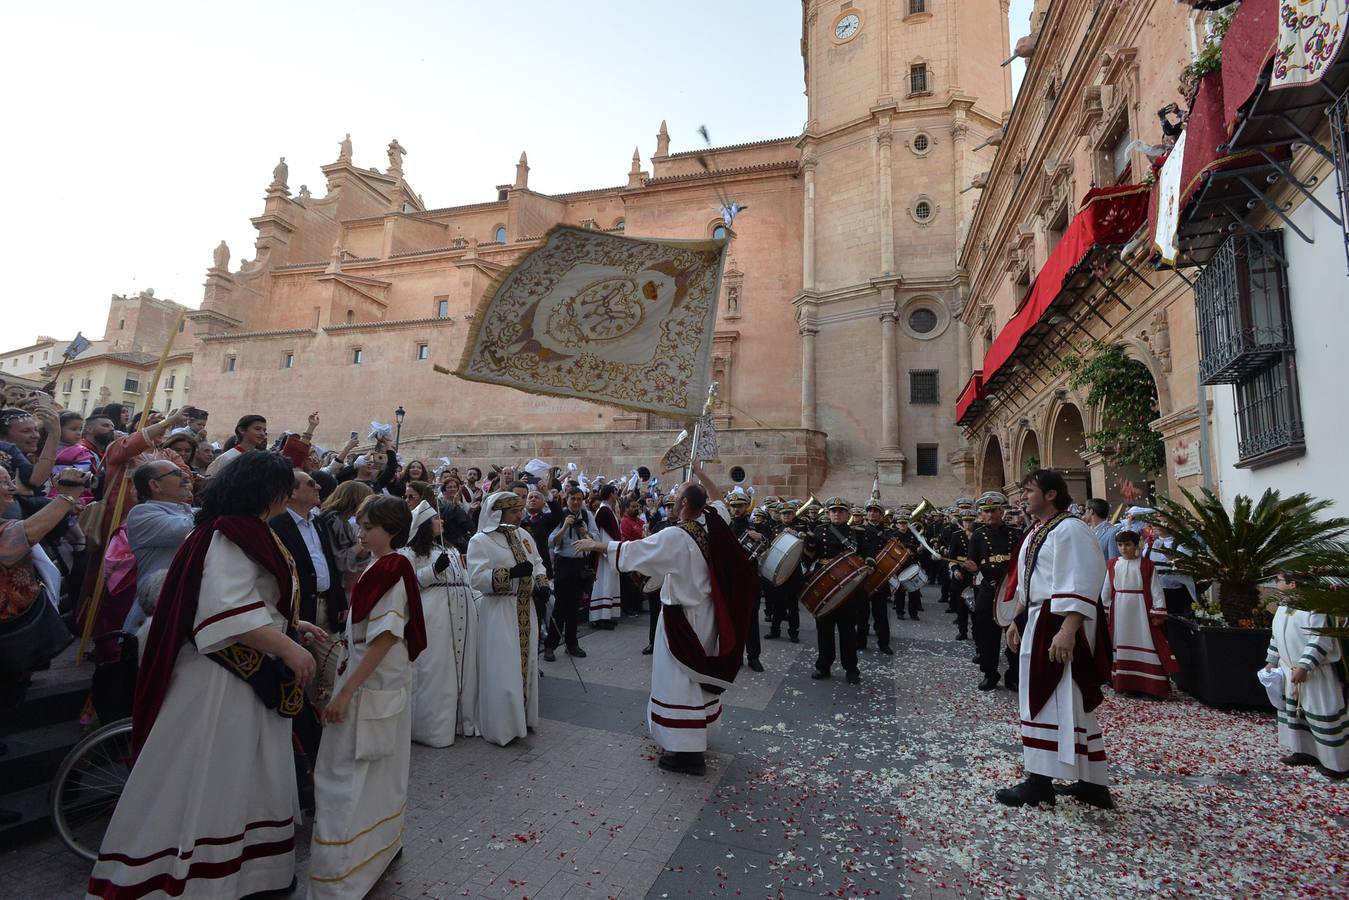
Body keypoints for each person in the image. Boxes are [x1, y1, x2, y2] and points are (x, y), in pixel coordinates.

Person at [88, 451, 320, 899]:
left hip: (238, 677)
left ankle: (251, 874)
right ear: (265, 489)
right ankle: (204, 879)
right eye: (283, 486)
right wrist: (287, 646)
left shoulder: (236, 529)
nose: (288, 494)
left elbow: (251, 601)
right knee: (217, 774)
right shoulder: (233, 533)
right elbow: (225, 609)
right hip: (223, 681)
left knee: (244, 775)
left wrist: (292, 625)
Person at [576, 464, 755, 775]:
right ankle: (700, 734)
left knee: (678, 683)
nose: (672, 500)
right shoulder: (713, 521)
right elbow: (718, 498)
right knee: (697, 681)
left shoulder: (676, 535)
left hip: (682, 619)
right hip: (707, 616)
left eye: (677, 495)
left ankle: (687, 753)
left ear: (684, 503)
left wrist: (596, 545)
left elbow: (635, 551)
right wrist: (698, 471)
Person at [309, 495, 427, 898]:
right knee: (372, 773)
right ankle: (374, 850)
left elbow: (385, 637)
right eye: (360, 525)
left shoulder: (391, 569)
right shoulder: (383, 565)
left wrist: (345, 693)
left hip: (371, 685)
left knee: (348, 777)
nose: (360, 533)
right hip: (375, 683)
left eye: (368, 527)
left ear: (390, 530)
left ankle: (342, 877)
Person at [997, 470, 1112, 810]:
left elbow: (1084, 577)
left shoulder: (1070, 529)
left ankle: (1040, 782)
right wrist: (1016, 619)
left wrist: (1068, 628)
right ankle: (1092, 782)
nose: (1022, 496)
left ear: (1050, 494)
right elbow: (1030, 580)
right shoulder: (1038, 531)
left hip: (1057, 622)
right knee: (1064, 699)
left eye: (1029, 490)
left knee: (1056, 697)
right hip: (1038, 619)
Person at [468, 491, 547, 746]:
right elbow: (476, 578)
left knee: (527, 662)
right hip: (499, 610)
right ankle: (503, 726)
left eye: (520, 510)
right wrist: (510, 573)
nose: (520, 515)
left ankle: (523, 718)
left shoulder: (523, 535)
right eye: (514, 511)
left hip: (525, 608)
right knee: (503, 667)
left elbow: (538, 562)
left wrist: (542, 584)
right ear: (498, 514)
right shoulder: (481, 541)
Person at [400, 500, 478, 745]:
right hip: (435, 614)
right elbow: (407, 584)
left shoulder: (451, 548)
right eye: (435, 518)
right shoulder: (410, 552)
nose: (441, 521)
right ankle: (432, 728)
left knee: (463, 667)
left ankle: (462, 721)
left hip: (462, 607)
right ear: (423, 525)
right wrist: (433, 570)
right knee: (436, 667)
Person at [1265, 595, 1348, 779]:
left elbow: (1321, 639)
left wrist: (1304, 666)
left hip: (1316, 673)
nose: (1277, 583)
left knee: (1322, 713)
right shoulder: (1283, 607)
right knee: (1297, 714)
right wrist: (1272, 660)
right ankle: (1305, 751)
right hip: (1290, 670)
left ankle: (1337, 764)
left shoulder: (1317, 609)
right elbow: (1276, 635)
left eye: (1280, 581)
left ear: (1293, 583)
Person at [122, 460, 196, 634]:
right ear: (155, 485)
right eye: (177, 473)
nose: (186, 476)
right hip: (155, 613)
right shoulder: (141, 514)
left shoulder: (191, 512)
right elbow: (187, 530)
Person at [1101, 529, 1176, 698]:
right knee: (1122, 642)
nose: (1123, 548)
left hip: (1141, 610)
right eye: (1120, 545)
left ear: (1136, 545)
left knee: (1146, 641)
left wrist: (1158, 611)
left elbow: (1156, 589)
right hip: (1119, 610)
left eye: (1127, 544)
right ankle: (1126, 684)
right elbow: (1107, 588)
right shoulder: (1113, 564)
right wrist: (1105, 609)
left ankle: (1151, 686)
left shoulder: (1147, 565)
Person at [270, 469, 346, 634]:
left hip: (326, 607)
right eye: (311, 484)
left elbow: (329, 562)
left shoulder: (318, 521)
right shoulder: (275, 525)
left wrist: (339, 600)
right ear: (292, 493)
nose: (318, 487)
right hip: (298, 610)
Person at [966, 493, 1024, 691]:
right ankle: (990, 673)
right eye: (986, 511)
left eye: (994, 510)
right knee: (986, 635)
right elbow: (972, 560)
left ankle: (1013, 674)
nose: (990, 515)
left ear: (1001, 511)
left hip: (1011, 592)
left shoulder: (1016, 534)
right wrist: (972, 569)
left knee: (1014, 633)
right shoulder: (978, 535)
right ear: (981, 514)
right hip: (988, 590)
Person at [808, 498, 863, 684]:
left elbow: (866, 553)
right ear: (828, 513)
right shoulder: (819, 531)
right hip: (824, 585)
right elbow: (809, 556)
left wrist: (869, 561)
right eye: (833, 511)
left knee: (848, 630)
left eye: (840, 511)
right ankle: (823, 666)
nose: (837, 514)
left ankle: (851, 669)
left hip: (847, 586)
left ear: (847, 514)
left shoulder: (856, 533)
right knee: (824, 629)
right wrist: (808, 544)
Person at [546, 487, 594, 661]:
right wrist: (565, 526)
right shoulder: (560, 516)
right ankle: (550, 645)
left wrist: (584, 533)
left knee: (574, 606)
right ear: (566, 499)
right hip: (564, 564)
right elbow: (552, 542)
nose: (576, 502)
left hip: (580, 565)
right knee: (560, 606)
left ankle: (572, 643)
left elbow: (595, 540)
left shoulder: (587, 516)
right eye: (573, 498)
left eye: (579, 499)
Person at [725, 489, 766, 671]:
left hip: (750, 580)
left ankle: (753, 656)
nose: (736, 509)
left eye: (740, 506)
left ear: (746, 506)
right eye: (733, 506)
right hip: (731, 581)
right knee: (731, 619)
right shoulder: (725, 527)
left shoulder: (756, 527)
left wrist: (761, 537)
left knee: (751, 619)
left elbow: (770, 547)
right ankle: (735, 655)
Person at [316, 480, 373, 597]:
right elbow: (339, 560)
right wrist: (361, 545)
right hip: (335, 588)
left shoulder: (342, 520)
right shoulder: (334, 521)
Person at [855, 499, 895, 655]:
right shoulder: (858, 531)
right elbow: (855, 552)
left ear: (881, 515)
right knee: (861, 612)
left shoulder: (888, 532)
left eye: (875, 511)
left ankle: (883, 643)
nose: (872, 513)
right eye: (870, 510)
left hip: (880, 575)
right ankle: (860, 640)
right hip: (864, 575)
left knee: (881, 613)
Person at [587, 484, 622, 627]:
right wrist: (609, 550)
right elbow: (603, 534)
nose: (617, 495)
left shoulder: (608, 509)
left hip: (610, 551)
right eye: (615, 492)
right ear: (611, 494)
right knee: (604, 582)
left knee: (610, 582)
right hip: (605, 554)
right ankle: (600, 616)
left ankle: (608, 614)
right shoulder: (603, 510)